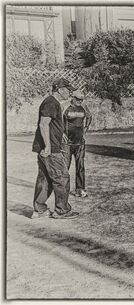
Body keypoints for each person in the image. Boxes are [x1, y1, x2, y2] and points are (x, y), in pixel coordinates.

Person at [31, 78, 79, 219]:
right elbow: (43, 124)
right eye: (68, 89)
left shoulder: (52, 102)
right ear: (60, 90)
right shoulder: (51, 102)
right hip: (51, 149)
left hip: (48, 145)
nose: (70, 92)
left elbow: (51, 125)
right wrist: (48, 146)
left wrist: (60, 134)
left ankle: (39, 210)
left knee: (45, 178)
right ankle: (62, 211)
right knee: (62, 178)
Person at [63, 90, 92, 198]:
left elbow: (89, 116)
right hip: (67, 143)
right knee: (65, 166)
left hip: (80, 142)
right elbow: (57, 121)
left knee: (80, 166)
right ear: (72, 98)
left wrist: (86, 128)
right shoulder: (65, 106)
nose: (80, 101)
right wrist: (62, 133)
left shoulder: (84, 106)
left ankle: (80, 189)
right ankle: (63, 189)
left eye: (82, 99)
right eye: (78, 99)